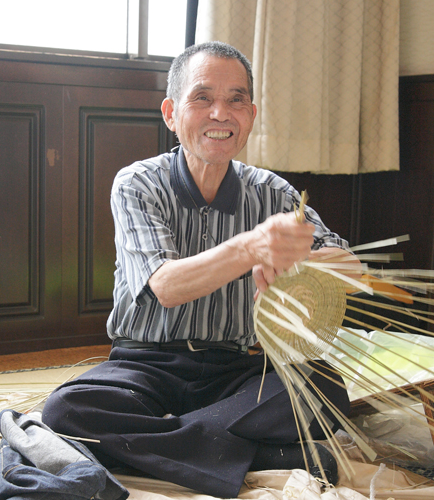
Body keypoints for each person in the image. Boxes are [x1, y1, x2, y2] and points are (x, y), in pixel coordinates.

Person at [42, 41, 357, 498]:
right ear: (171, 112)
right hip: (145, 365)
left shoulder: (273, 192)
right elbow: (166, 286)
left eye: (236, 100)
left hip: (235, 368)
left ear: (250, 114)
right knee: (67, 410)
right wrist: (251, 247)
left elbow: (351, 265)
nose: (220, 113)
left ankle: (164, 443)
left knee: (324, 388)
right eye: (203, 98)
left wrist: (299, 260)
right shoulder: (138, 184)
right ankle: (260, 453)